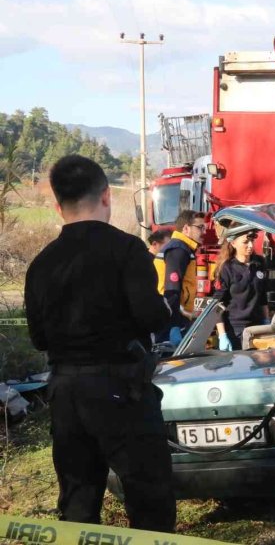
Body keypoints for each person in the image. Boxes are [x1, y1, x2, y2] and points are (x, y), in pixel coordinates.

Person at [23, 155, 175, 531]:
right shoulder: (126, 250)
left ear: (58, 205)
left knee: (77, 501)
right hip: (121, 388)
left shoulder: (41, 263)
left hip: (65, 393)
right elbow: (153, 317)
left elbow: (38, 337)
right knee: (149, 495)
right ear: (106, 195)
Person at [214, 224, 270, 351]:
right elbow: (217, 305)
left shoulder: (259, 263)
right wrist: (222, 335)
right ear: (233, 243)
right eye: (245, 242)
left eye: (252, 241)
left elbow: (263, 298)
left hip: (257, 329)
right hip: (235, 330)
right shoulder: (227, 268)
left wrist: (267, 322)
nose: (250, 246)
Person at [154, 209, 205, 344]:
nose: (204, 232)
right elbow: (172, 290)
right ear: (186, 229)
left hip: (175, 316)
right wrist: (174, 325)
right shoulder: (178, 250)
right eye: (200, 227)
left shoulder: (182, 248)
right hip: (172, 318)